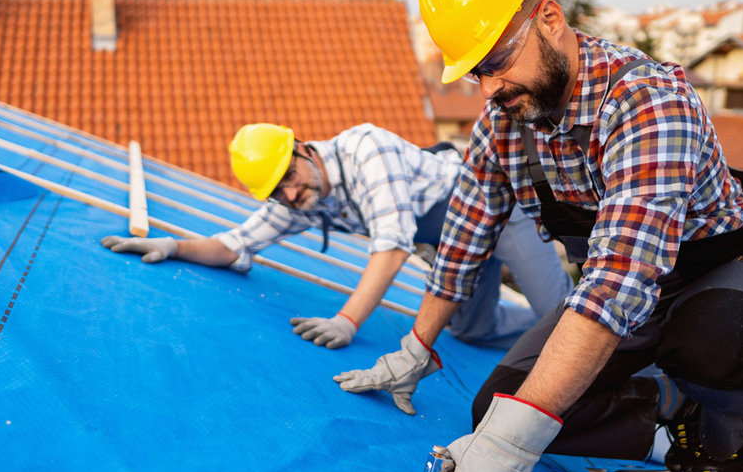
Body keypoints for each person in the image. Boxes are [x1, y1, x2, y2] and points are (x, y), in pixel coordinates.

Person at [334, 0, 743, 472]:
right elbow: (464, 237)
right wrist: (417, 347)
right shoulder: (506, 123)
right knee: (493, 408)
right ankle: (673, 403)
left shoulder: (647, 103)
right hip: (634, 295)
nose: (487, 88)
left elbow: (617, 281)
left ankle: (730, 424)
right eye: (475, 71)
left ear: (549, 20)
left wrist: (514, 447)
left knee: (715, 342)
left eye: (497, 62)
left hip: (725, 270)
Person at [102, 122, 573, 387]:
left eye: (290, 178)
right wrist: (173, 245)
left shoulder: (366, 149)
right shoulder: (302, 198)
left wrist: (347, 320)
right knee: (473, 330)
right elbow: (234, 245)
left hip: (493, 208)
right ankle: (533, 323)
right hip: (455, 243)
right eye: (277, 193)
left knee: (564, 317)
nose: (289, 194)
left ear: (305, 149)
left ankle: (641, 376)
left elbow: (392, 247)